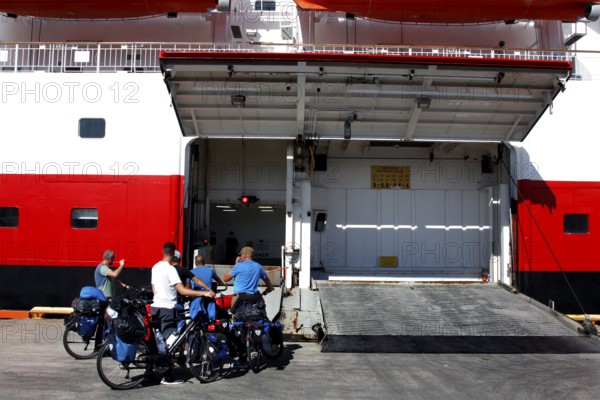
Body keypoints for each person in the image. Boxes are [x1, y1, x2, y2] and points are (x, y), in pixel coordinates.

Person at [151, 242, 215, 384]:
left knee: (158, 343)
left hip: (155, 307)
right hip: (168, 308)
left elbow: (154, 288)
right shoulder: (171, 269)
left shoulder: (155, 267)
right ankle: (167, 377)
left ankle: (152, 370)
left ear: (162, 251)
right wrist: (204, 293)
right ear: (173, 254)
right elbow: (182, 291)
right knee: (169, 344)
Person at [223, 246, 273, 314]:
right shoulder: (258, 266)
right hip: (253, 298)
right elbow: (267, 280)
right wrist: (270, 288)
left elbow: (225, 278)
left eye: (241, 255)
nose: (240, 256)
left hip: (239, 298)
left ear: (244, 255)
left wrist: (236, 264)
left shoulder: (239, 266)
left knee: (236, 320)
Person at [189, 254, 226, 322]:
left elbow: (188, 286)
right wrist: (223, 283)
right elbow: (218, 280)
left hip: (196, 297)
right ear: (204, 262)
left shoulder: (191, 272)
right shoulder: (210, 270)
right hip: (209, 297)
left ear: (195, 263)